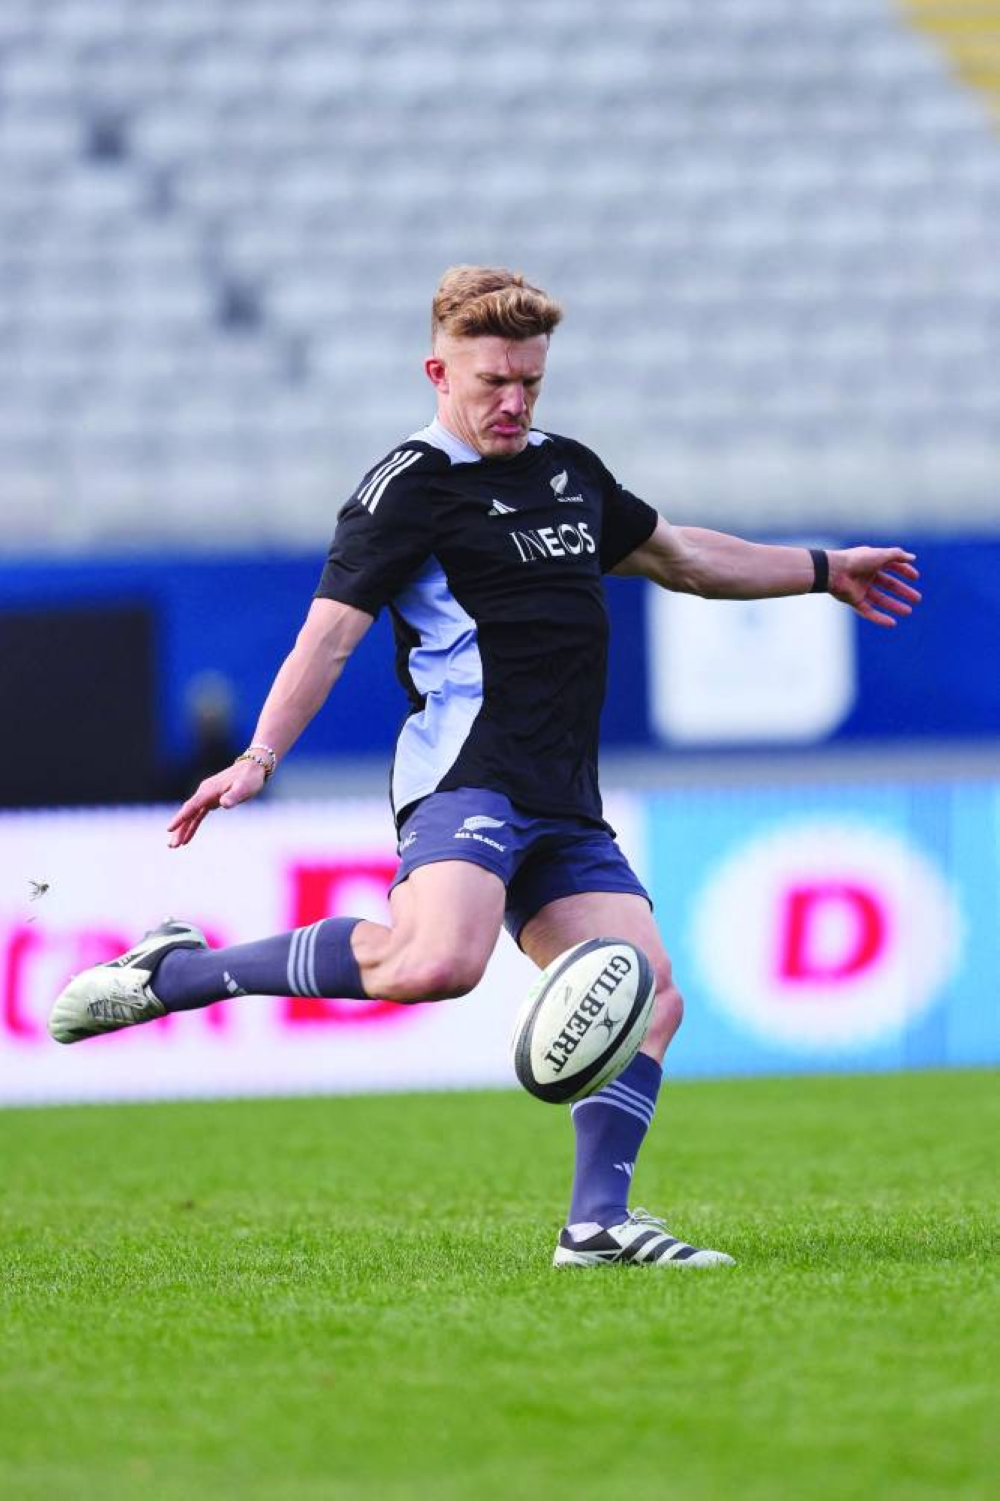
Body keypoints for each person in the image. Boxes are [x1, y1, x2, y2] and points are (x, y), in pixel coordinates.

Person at [49, 266, 921, 1269]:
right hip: (466, 778)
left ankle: (595, 1224)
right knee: (435, 963)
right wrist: (258, 755)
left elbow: (683, 558)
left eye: (530, 383)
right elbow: (326, 638)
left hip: (565, 796)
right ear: (439, 370)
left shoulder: (568, 470)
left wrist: (820, 569)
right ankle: (182, 969)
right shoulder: (406, 489)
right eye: (492, 381)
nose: (512, 402)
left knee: (651, 991)